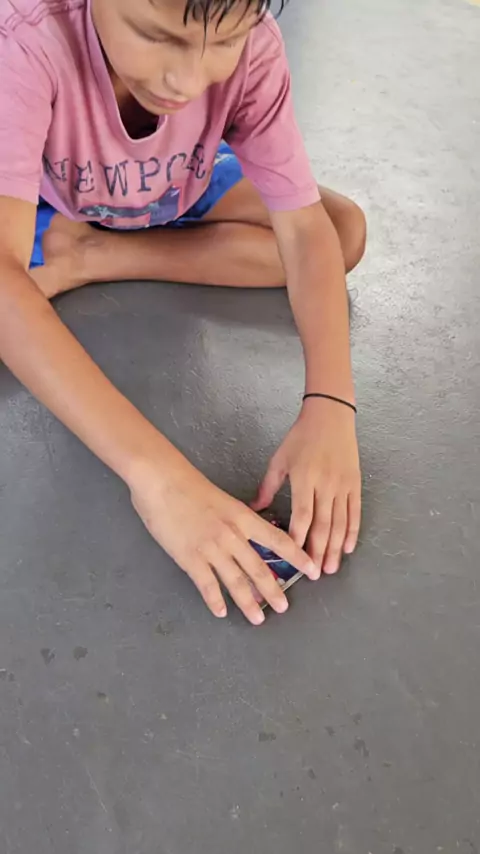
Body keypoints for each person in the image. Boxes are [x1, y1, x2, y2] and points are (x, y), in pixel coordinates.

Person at [0, 0, 366, 626]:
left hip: (170, 190)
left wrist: (331, 404)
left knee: (342, 230)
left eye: (222, 43)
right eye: (154, 36)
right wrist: (159, 479)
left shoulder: (254, 47)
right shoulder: (27, 40)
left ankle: (91, 255)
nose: (186, 81)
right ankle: (77, 243)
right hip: (42, 202)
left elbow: (307, 233)